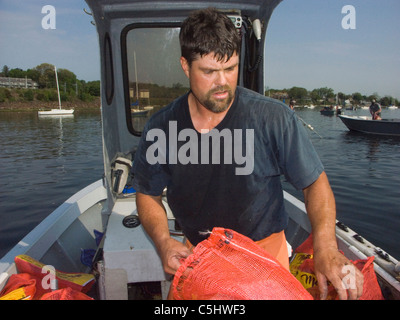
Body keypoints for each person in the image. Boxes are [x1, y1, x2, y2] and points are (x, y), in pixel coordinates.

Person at [132, 7, 363, 300]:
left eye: (230, 69)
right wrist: (163, 240)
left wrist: (326, 246)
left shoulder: (273, 118)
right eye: (209, 72)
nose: (222, 83)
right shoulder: (161, 127)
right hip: (200, 256)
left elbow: (314, 184)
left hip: (264, 255)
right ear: (185, 66)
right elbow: (147, 193)